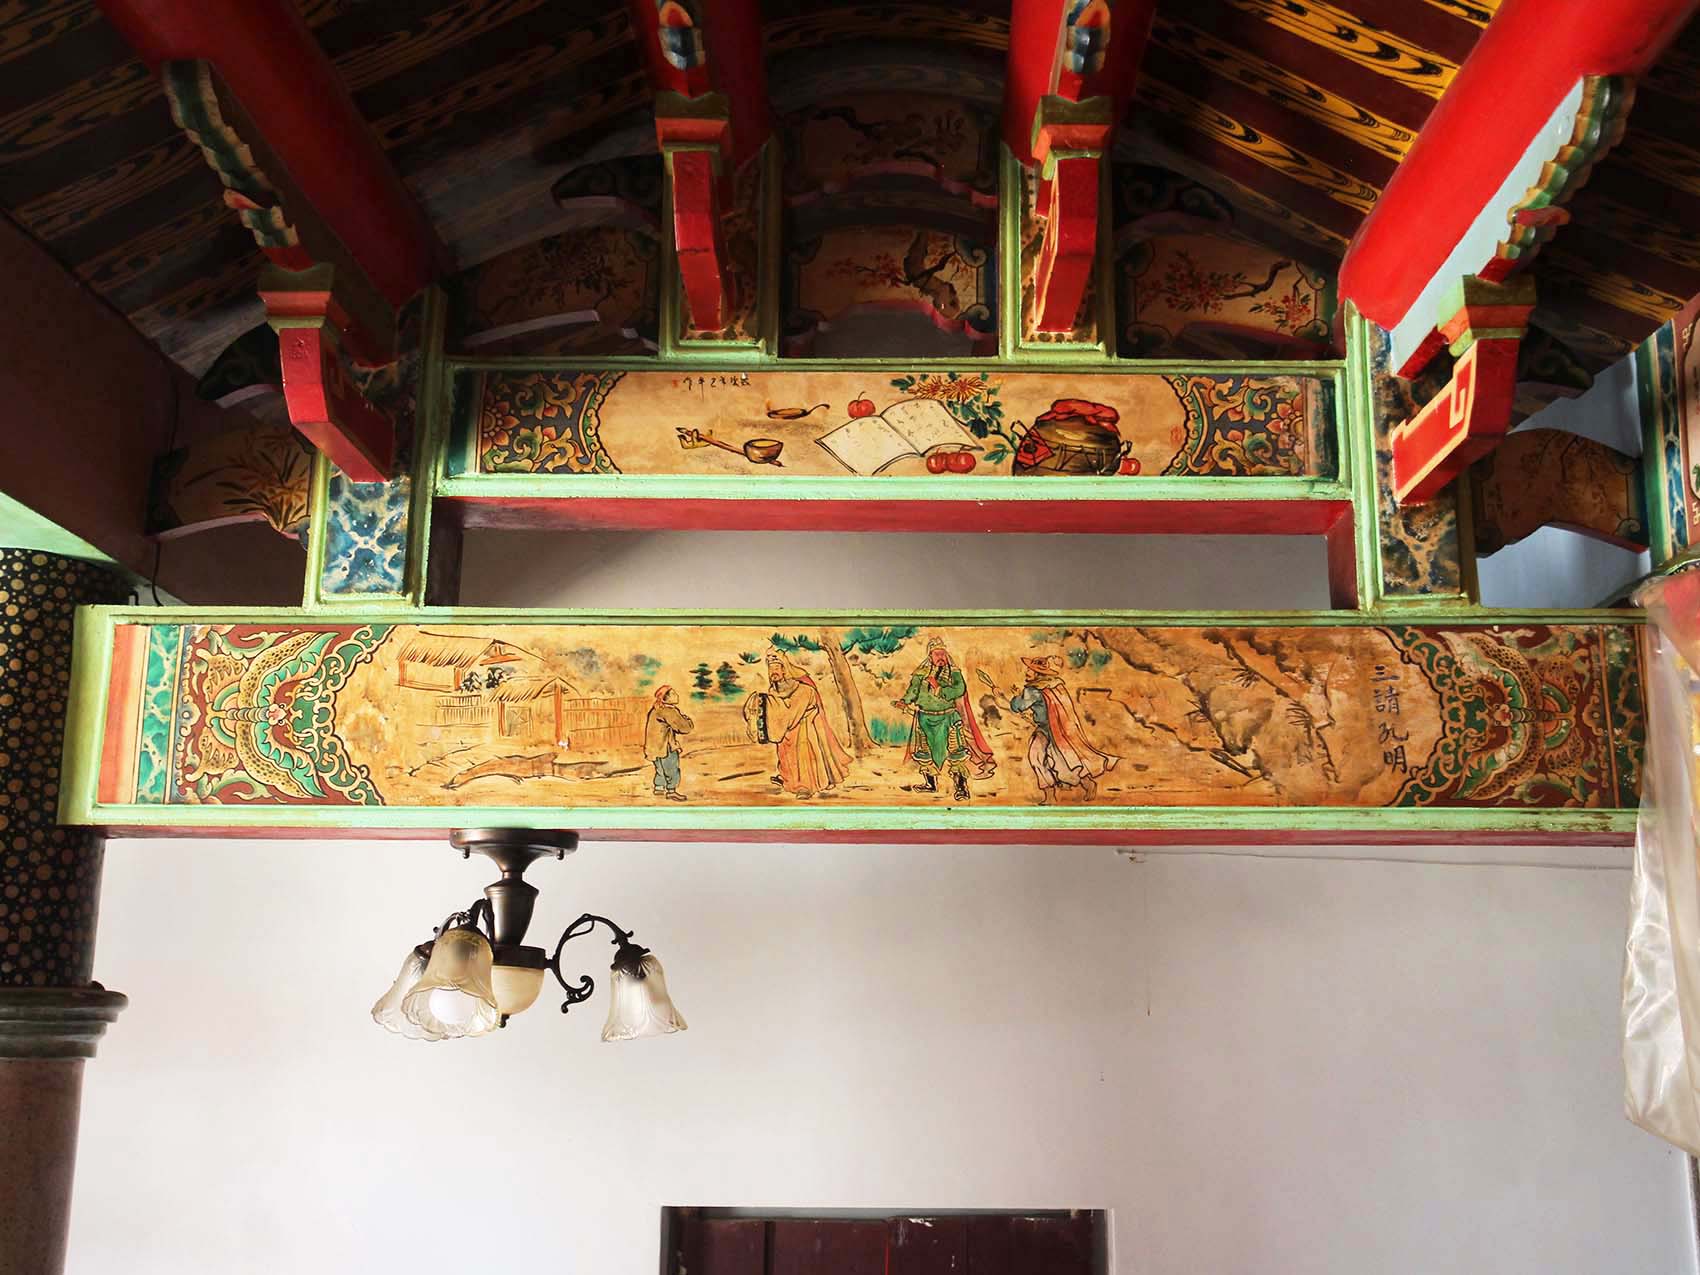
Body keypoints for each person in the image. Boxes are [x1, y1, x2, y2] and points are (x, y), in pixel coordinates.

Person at [1008, 654, 1118, 804]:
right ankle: (1054, 795)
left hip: (1051, 730)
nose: (1027, 672)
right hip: (1056, 729)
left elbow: (1017, 706)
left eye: (1030, 670)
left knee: (1050, 760)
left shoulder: (1033, 691)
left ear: (1039, 674)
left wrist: (1012, 697)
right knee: (1051, 758)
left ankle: (1082, 786)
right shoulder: (1055, 685)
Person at [895, 636, 992, 801]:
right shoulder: (920, 673)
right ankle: (930, 784)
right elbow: (913, 690)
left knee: (956, 753)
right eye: (937, 654)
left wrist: (939, 688)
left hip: (948, 718)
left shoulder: (954, 673)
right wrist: (904, 701)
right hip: (924, 718)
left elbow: (959, 689)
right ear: (930, 656)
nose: (940, 657)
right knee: (924, 752)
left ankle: (961, 788)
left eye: (943, 654)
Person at [764, 650, 851, 798]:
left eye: (777, 668)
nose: (774, 672)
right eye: (771, 669)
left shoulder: (803, 690)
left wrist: (781, 723)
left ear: (785, 670)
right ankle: (787, 778)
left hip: (803, 727)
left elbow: (794, 714)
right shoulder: (773, 690)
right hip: (785, 729)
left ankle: (805, 787)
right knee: (784, 755)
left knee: (803, 756)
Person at [643, 685, 693, 802]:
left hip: (654, 747)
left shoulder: (656, 709)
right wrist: (688, 720)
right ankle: (671, 792)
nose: (677, 696)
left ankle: (659, 788)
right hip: (666, 746)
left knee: (660, 769)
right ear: (666, 698)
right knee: (671, 769)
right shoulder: (668, 711)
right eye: (673, 694)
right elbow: (684, 727)